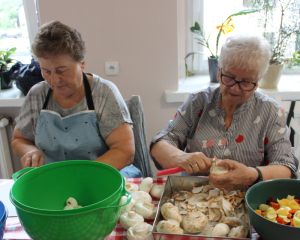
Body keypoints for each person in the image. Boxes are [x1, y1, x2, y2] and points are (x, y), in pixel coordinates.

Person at [150, 34, 299, 190]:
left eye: (246, 82)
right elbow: (160, 145)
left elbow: (287, 167)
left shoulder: (271, 112)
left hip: (247, 200)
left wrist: (251, 174)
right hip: (194, 199)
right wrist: (181, 157)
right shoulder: (199, 102)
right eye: (229, 77)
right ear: (219, 72)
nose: (235, 88)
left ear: (257, 82)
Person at [11, 21, 141, 178]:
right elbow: (19, 139)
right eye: (46, 71)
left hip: (97, 177)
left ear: (82, 63)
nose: (54, 80)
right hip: (53, 179)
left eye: (62, 71)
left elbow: (124, 152)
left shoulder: (103, 93)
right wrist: (30, 150)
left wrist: (79, 176)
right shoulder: (37, 95)